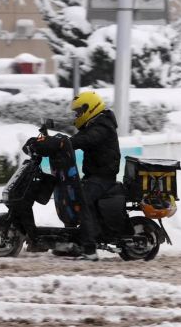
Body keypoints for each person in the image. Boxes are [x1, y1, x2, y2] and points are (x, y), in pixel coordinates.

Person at [69, 91, 121, 261]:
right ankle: (75, 242)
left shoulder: (102, 126)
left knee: (84, 200)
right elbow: (80, 137)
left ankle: (89, 249)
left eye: (78, 112)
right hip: (94, 176)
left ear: (88, 108)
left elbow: (87, 139)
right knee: (72, 194)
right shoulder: (95, 123)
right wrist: (57, 141)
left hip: (103, 178)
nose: (77, 116)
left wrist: (65, 143)